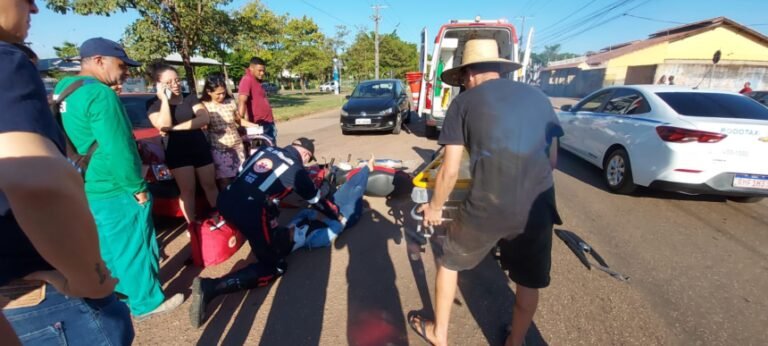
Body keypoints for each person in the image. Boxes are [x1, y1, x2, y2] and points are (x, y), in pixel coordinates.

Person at [408, 39, 563, 346]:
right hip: (537, 205)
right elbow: (553, 159)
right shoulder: (539, 97)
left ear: (467, 74)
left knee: (449, 262)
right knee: (527, 280)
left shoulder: (464, 103)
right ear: (499, 69)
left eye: (462, 79)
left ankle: (439, 334)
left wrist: (435, 207)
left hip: (488, 206)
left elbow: (450, 170)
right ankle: (515, 341)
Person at [1, 2, 132, 344]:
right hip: (39, 289)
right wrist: (93, 282)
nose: (33, 7)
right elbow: (41, 182)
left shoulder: (64, 89)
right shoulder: (7, 61)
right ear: (100, 62)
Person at [54, 38, 183, 321]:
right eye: (121, 65)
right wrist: (136, 187)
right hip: (115, 184)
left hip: (85, 183)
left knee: (106, 245)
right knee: (135, 243)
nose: (126, 72)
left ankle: (118, 291)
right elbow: (118, 147)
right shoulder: (101, 94)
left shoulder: (65, 89)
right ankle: (147, 302)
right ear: (99, 60)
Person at [189, 137, 334, 328]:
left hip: (225, 200)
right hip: (250, 211)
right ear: (306, 155)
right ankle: (212, 287)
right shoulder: (296, 168)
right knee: (274, 266)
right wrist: (334, 213)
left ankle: (262, 236)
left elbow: (245, 175)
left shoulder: (264, 150)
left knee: (268, 211)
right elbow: (315, 199)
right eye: (308, 159)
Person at [147, 63, 219, 224]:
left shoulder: (190, 97)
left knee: (210, 185)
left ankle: (219, 216)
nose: (176, 85)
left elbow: (203, 118)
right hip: (177, 151)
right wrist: (164, 100)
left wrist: (174, 128)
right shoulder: (153, 105)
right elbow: (162, 124)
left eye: (177, 80)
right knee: (188, 190)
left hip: (199, 146)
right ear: (158, 85)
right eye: (169, 82)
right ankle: (192, 224)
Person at [289, 155, 375, 251]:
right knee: (356, 191)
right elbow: (337, 227)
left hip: (331, 209)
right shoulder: (313, 240)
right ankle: (359, 210)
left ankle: (367, 169)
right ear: (293, 241)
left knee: (347, 185)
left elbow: (305, 212)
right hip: (343, 218)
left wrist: (319, 214)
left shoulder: (291, 227)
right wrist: (322, 217)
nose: (290, 230)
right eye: (289, 233)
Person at [199, 74, 246, 190]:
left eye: (223, 93)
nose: (222, 96)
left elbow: (238, 120)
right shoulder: (204, 105)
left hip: (236, 146)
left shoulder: (230, 102)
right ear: (209, 92)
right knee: (224, 179)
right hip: (218, 148)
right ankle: (228, 201)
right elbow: (202, 126)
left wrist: (255, 126)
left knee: (241, 175)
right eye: (218, 94)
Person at [237, 57, 276, 142]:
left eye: (263, 71)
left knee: (272, 149)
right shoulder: (247, 79)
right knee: (261, 152)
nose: (262, 73)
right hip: (257, 125)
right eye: (259, 70)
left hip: (268, 122)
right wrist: (240, 121)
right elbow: (242, 100)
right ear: (251, 68)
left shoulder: (257, 80)